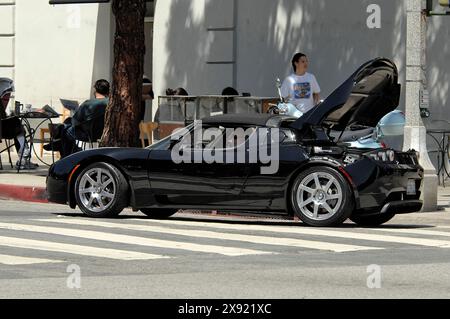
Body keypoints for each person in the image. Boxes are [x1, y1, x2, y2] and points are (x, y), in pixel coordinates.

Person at [44, 79, 110, 158]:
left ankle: (65, 155)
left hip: (87, 134)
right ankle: (61, 145)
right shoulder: (111, 103)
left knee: (65, 131)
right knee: (66, 125)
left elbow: (75, 121)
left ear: (95, 90)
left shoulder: (88, 103)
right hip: (104, 134)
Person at [0, 78, 38, 169]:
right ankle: (24, 157)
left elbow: (3, 118)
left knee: (18, 125)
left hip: (3, 129)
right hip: (2, 131)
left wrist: (10, 116)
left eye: (9, 97)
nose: (8, 99)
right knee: (17, 125)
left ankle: (24, 157)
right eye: (6, 97)